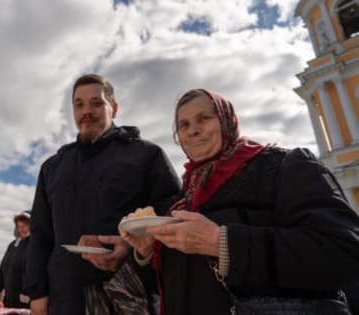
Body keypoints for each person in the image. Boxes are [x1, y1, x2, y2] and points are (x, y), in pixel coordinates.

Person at [120, 89, 359, 315]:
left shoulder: (284, 166)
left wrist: (222, 243)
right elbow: (173, 289)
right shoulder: (182, 202)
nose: (193, 130)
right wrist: (147, 253)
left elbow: (343, 253)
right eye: (184, 125)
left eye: (204, 118)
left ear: (227, 119)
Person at [24, 74, 180, 315]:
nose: (87, 111)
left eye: (97, 103)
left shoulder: (146, 156)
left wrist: (133, 250)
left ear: (114, 108)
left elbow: (172, 217)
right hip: (66, 296)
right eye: (79, 104)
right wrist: (37, 293)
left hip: (131, 294)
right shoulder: (53, 167)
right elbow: (41, 235)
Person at [0, 211, 31, 308]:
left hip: (29, 303)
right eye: (19, 226)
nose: (22, 229)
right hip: (9, 302)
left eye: (25, 225)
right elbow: (2, 273)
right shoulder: (12, 245)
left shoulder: (37, 245)